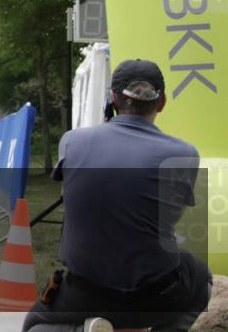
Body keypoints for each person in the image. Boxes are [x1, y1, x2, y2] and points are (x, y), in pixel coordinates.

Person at [23, 59, 211, 332]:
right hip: (155, 295)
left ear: (113, 97)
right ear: (162, 102)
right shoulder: (185, 154)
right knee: (200, 277)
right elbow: (169, 216)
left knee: (34, 325)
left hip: (85, 292)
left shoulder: (72, 141)